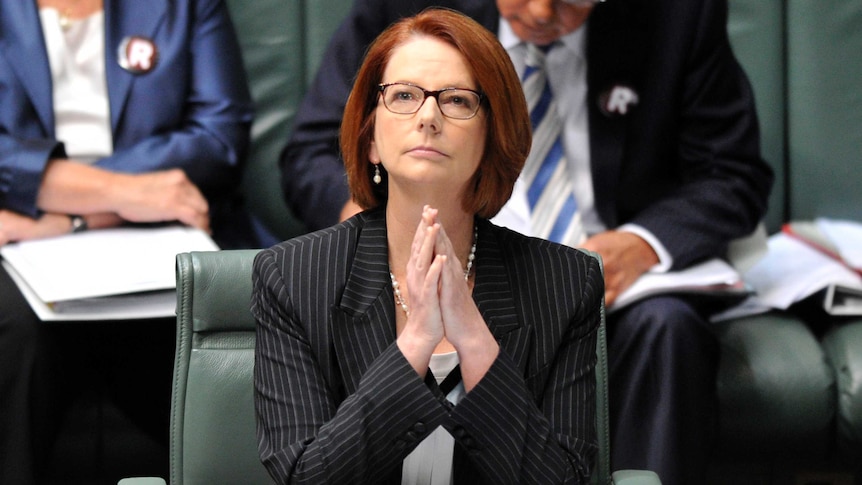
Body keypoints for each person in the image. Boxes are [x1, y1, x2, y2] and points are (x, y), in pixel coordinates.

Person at [280, 0, 774, 483]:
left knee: (668, 326)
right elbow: (312, 154)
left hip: (606, 282)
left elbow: (731, 174)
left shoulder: (679, 14)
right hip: (436, 256)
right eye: (408, 98)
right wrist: (378, 233)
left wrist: (641, 244)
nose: (540, 12)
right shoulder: (403, 12)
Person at [252, 8, 602, 484]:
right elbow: (306, 478)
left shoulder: (565, 283)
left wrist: (475, 342)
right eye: (404, 96)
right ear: (371, 138)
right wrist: (416, 339)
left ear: (492, 139)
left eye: (457, 101)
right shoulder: (291, 277)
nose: (429, 117)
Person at [0, 0, 255, 482]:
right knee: (15, 333)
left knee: (225, 326)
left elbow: (218, 137)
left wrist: (64, 211)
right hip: (19, 243)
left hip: (163, 234)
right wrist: (124, 193)